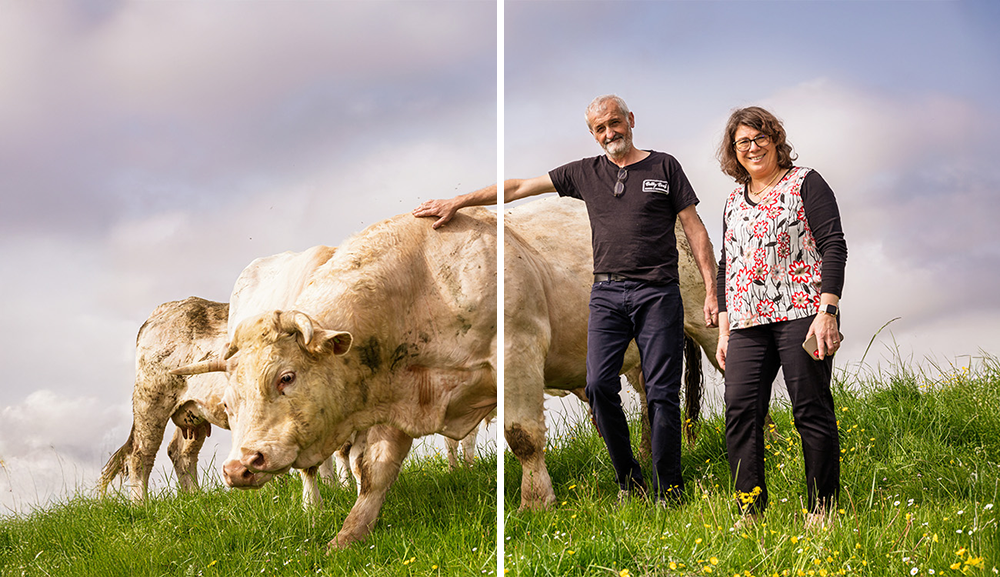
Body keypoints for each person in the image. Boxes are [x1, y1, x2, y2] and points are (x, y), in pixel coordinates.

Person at [413, 95, 719, 505]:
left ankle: (670, 490)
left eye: (615, 122)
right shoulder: (585, 172)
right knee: (598, 386)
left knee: (662, 394)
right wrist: (457, 201)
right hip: (607, 294)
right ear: (593, 133)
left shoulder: (664, 166)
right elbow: (518, 187)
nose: (610, 133)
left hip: (658, 293)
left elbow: (694, 228)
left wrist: (711, 288)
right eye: (600, 128)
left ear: (630, 119)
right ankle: (629, 481)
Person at [713, 106, 848, 529]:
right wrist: (724, 329)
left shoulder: (806, 182)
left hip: (802, 315)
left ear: (775, 140)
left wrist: (828, 311)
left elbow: (834, 245)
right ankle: (750, 512)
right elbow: (726, 266)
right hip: (746, 324)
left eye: (760, 138)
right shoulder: (732, 201)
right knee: (740, 413)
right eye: (743, 142)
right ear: (733, 151)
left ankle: (822, 510)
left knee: (810, 409)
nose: (752, 148)